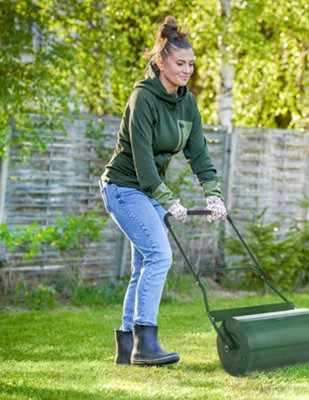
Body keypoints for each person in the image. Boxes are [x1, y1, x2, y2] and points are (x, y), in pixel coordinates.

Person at [99, 15, 227, 367]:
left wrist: (213, 194)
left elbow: (199, 153)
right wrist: (171, 202)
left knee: (143, 265)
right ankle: (146, 344)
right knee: (160, 256)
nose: (187, 70)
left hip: (148, 191)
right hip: (124, 187)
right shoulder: (143, 98)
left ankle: (127, 349)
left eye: (191, 64)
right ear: (161, 63)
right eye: (180, 63)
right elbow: (143, 164)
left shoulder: (188, 103)